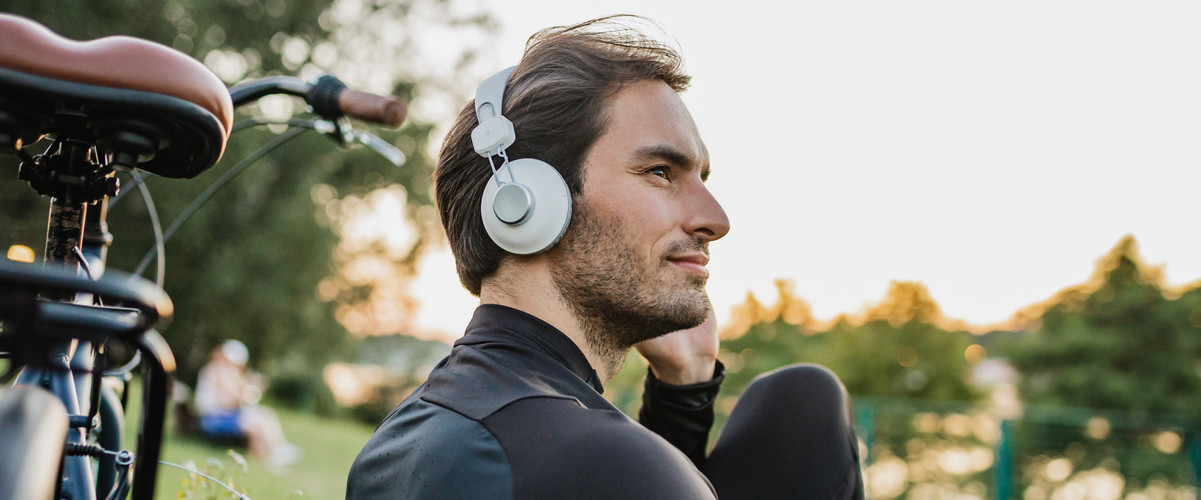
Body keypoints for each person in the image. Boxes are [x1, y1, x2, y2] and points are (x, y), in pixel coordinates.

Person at [347, 16, 862, 499]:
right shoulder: (607, 462)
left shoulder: (406, 437)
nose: (716, 220)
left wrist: (685, 389)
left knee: (801, 402)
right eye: (661, 171)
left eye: (702, 179)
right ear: (527, 202)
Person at [194, 340, 300, 470]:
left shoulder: (223, 371)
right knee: (256, 423)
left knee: (265, 414)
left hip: (222, 415)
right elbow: (227, 402)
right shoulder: (215, 371)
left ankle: (276, 451)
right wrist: (246, 392)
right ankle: (274, 454)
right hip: (212, 419)